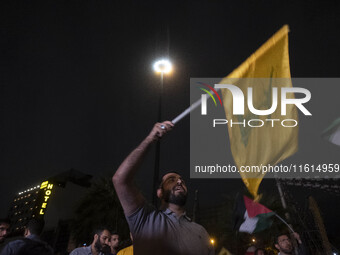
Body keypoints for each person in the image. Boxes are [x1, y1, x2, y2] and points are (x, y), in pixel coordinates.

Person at [112, 121, 214, 255]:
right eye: (172, 180)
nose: (179, 182)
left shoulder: (201, 232)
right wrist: (150, 139)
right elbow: (120, 180)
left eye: (181, 180)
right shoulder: (144, 219)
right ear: (159, 193)